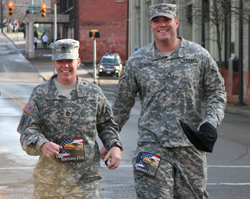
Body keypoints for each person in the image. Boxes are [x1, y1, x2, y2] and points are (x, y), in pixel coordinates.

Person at [100, 3, 227, 199]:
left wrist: (210, 120)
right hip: (152, 147)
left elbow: (216, 93)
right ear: (151, 26)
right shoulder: (137, 61)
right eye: (156, 21)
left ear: (176, 22)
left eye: (166, 20)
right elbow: (120, 107)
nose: (162, 25)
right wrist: (111, 141)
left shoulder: (198, 56)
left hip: (190, 148)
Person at [17, 39, 123, 198]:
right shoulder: (40, 94)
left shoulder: (93, 93)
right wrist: (42, 144)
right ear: (54, 63)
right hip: (49, 181)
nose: (65, 65)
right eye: (60, 61)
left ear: (78, 62)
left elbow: (107, 125)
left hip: (85, 181)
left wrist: (114, 145)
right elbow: (27, 130)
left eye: (69, 61)